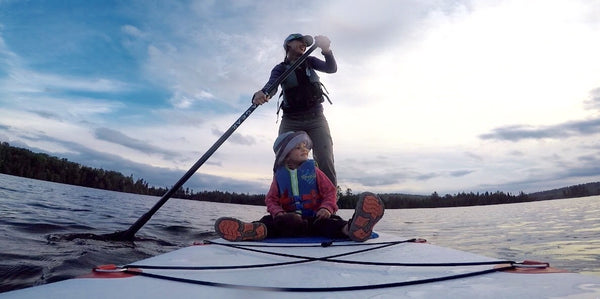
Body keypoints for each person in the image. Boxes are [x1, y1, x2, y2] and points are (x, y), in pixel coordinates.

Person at [214, 131, 384, 242]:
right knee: (270, 222)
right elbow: (271, 199)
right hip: (290, 221)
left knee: (332, 224)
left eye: (305, 147)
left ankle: (353, 228)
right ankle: (252, 230)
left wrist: (326, 208)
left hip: (317, 219)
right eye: (298, 147)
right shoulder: (279, 176)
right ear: (285, 155)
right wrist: (278, 213)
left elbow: (330, 192)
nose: (305, 150)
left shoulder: (315, 172)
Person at [252, 33, 338, 187]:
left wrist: (326, 50)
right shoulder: (280, 69)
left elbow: (331, 68)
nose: (304, 44)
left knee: (325, 157)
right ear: (288, 45)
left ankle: (329, 204)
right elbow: (270, 87)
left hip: (316, 118)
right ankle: (280, 202)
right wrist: (261, 94)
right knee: (283, 158)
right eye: (300, 41)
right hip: (291, 120)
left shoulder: (310, 61)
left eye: (306, 42)